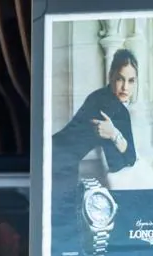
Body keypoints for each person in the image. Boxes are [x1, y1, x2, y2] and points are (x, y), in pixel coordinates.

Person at [52, 48, 139, 178]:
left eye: (131, 80)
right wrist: (114, 134)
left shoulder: (100, 96)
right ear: (111, 76)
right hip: (58, 163)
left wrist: (114, 133)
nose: (125, 87)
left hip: (56, 153)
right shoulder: (109, 106)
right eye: (120, 79)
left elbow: (129, 155)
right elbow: (121, 163)